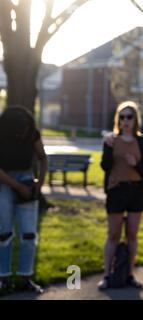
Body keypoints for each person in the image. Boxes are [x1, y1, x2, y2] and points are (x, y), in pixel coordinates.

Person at [98, 101, 143, 290]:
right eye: (122, 117)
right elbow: (104, 167)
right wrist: (107, 146)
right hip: (116, 191)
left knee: (132, 236)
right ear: (118, 120)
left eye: (129, 117)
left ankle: (129, 274)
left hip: (136, 191)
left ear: (135, 119)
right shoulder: (111, 140)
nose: (126, 120)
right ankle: (106, 276)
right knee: (113, 235)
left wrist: (134, 163)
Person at [0, 106, 48, 295]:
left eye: (27, 130)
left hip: (27, 178)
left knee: (29, 233)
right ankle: (3, 279)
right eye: (20, 131)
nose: (24, 134)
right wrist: (17, 187)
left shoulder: (31, 133)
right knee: (4, 233)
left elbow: (43, 158)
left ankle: (25, 279)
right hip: (4, 181)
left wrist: (39, 184)